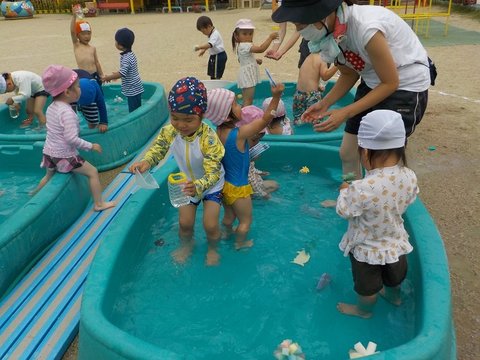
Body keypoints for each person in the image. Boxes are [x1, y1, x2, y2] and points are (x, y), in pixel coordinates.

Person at [272, 0, 430, 179]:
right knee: (348, 152)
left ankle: (386, 199)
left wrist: (344, 112)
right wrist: (324, 104)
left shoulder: (365, 28)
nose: (300, 31)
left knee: (381, 161)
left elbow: (390, 83)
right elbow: (349, 74)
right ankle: (353, 195)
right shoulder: (333, 34)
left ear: (322, 15)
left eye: (301, 24)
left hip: (404, 84)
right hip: (372, 79)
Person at [128, 77, 225, 266]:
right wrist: (146, 163)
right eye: (175, 118)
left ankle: (213, 249)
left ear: (202, 115)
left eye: (188, 120)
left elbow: (213, 173)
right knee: (185, 224)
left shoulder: (209, 138)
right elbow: (158, 149)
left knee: (211, 225)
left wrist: (198, 186)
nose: (181, 125)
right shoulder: (169, 132)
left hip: (211, 185)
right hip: (186, 183)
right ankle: (187, 245)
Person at [335, 110, 418, 319]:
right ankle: (394, 297)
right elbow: (410, 198)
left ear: (364, 152)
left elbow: (344, 211)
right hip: (395, 246)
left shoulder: (363, 187)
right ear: (402, 147)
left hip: (367, 251)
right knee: (394, 280)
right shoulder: (409, 175)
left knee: (367, 290)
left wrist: (344, 190)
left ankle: (363, 311)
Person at [205, 84, 284, 249]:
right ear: (226, 117)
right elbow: (265, 119)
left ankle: (226, 233)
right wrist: (276, 97)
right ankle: (240, 244)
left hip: (224, 185)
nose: (240, 106)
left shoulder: (218, 131)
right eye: (235, 104)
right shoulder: (239, 135)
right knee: (245, 221)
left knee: (229, 216)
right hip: (239, 188)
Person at [32, 65, 116, 212]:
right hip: (64, 156)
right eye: (78, 86)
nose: (80, 89)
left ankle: (33, 195)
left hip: (49, 153)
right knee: (93, 173)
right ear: (67, 92)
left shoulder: (52, 107)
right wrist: (91, 146)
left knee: (48, 177)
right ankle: (99, 204)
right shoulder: (68, 113)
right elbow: (71, 139)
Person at [231, 19, 278, 106]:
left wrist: (254, 61)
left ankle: (243, 113)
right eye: (244, 34)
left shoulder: (240, 45)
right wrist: (270, 38)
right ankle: (246, 116)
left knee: (246, 99)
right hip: (248, 76)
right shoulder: (245, 45)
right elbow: (261, 49)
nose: (248, 36)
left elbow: (241, 60)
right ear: (236, 36)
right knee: (248, 101)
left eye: (250, 33)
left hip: (245, 74)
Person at [102, 28, 144, 113]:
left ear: (120, 45)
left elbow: (122, 73)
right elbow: (125, 71)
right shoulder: (129, 54)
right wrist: (117, 74)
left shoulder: (126, 58)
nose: (115, 43)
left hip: (133, 90)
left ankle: (136, 124)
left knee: (134, 112)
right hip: (135, 87)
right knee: (137, 109)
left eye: (116, 41)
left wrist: (108, 77)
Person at [293, 53, 337, 125]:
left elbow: (308, 77)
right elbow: (325, 76)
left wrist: (318, 87)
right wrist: (337, 65)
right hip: (312, 96)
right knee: (317, 120)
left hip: (298, 94)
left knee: (298, 119)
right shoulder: (322, 58)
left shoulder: (309, 56)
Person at [70, 14, 104, 87]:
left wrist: (101, 74)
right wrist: (74, 16)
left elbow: (97, 63)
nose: (86, 36)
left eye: (89, 34)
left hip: (95, 74)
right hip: (83, 75)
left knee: (98, 92)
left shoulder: (92, 48)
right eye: (83, 34)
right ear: (77, 35)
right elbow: (72, 32)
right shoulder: (77, 45)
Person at [194, 16, 228, 80]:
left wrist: (199, 47)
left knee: (216, 75)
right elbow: (211, 43)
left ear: (209, 26)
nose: (203, 33)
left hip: (218, 56)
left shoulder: (215, 34)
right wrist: (204, 50)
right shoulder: (211, 33)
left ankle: (216, 87)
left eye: (203, 31)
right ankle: (214, 85)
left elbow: (210, 44)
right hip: (215, 56)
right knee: (213, 74)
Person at [248, 132, 279, 199]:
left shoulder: (249, 162)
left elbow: (253, 169)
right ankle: (252, 196)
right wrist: (264, 195)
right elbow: (253, 184)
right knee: (275, 185)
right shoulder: (247, 170)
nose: (260, 155)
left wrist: (261, 172)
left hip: (252, 183)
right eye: (258, 154)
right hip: (253, 188)